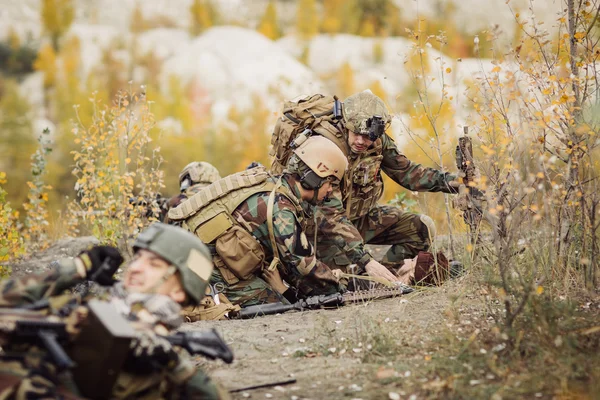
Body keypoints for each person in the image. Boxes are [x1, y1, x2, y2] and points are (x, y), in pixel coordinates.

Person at [0, 223, 226, 400]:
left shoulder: (160, 358)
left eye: (154, 265)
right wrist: (79, 268)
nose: (135, 268)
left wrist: (174, 364)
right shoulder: (84, 306)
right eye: (137, 258)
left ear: (179, 291)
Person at [270, 90, 463, 283]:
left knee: (422, 229)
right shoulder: (324, 147)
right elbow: (330, 216)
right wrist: (366, 261)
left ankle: (388, 277)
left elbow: (407, 173)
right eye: (356, 134)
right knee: (342, 282)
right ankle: (373, 279)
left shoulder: (376, 139)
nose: (361, 141)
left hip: (357, 218)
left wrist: (454, 183)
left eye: (367, 136)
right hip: (321, 230)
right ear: (346, 125)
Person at [168, 136, 350, 307]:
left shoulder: (270, 186)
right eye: (330, 184)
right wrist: (336, 287)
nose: (330, 191)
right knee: (280, 305)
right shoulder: (280, 207)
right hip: (204, 270)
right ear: (313, 179)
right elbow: (304, 265)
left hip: (202, 260)